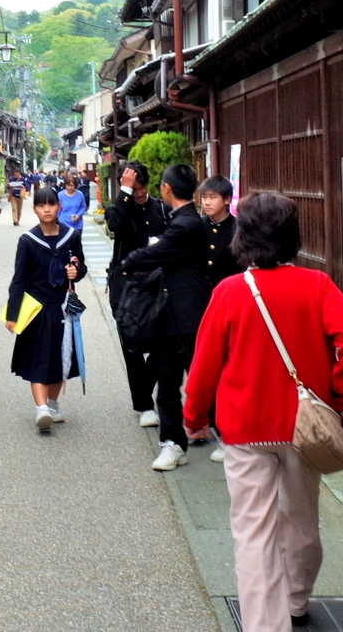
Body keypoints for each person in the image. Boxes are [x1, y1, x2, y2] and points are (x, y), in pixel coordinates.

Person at [183, 193, 343, 632]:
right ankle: (297, 601)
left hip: (245, 427)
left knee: (253, 534)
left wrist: (194, 418)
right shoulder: (317, 285)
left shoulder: (229, 292)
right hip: (304, 427)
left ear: (242, 237)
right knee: (302, 520)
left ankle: (265, 625)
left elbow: (205, 363)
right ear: (292, 236)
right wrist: (340, 401)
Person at [118, 164, 211, 471]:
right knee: (169, 382)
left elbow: (151, 254)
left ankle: (228, 436)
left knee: (199, 381)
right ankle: (173, 443)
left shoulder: (185, 225)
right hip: (170, 313)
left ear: (166, 189)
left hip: (188, 314)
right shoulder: (181, 219)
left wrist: (129, 261)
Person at [5, 187, 87, 431]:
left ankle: (52, 402)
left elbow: (80, 265)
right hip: (36, 309)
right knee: (38, 360)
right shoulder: (28, 241)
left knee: (59, 359)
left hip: (62, 307)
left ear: (59, 207)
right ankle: (41, 408)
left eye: (51, 204)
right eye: (42, 205)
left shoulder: (71, 236)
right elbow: (19, 279)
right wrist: (12, 315)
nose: (47, 209)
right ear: (35, 210)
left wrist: (77, 272)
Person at [106, 161, 167, 428]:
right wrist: (125, 192)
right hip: (126, 289)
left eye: (142, 188)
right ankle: (144, 405)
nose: (140, 193)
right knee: (131, 347)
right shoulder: (119, 207)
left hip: (156, 287)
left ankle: (144, 392)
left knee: (160, 345)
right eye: (135, 188)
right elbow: (114, 226)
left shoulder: (162, 210)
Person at [191, 175, 243, 461]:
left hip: (230, 307)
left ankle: (227, 433)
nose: (207, 202)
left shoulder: (238, 230)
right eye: (204, 197)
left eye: (212, 197)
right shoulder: (197, 228)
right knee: (204, 366)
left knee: (227, 368)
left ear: (226, 200)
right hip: (200, 305)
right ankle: (206, 423)